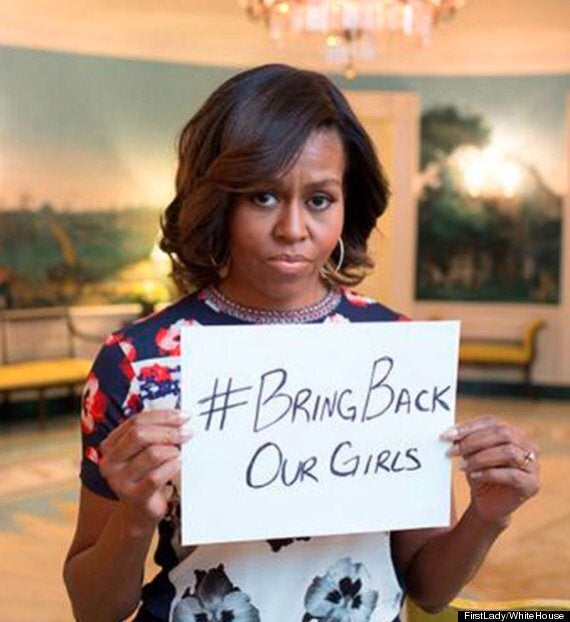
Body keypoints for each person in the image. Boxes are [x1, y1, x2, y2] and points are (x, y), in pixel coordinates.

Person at [63, 64, 540, 622]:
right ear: (218, 200)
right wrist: (134, 516)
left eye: (319, 200)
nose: (292, 228)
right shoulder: (136, 361)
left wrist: (487, 516)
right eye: (263, 196)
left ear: (347, 203)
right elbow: (93, 609)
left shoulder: (396, 353)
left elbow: (428, 589)